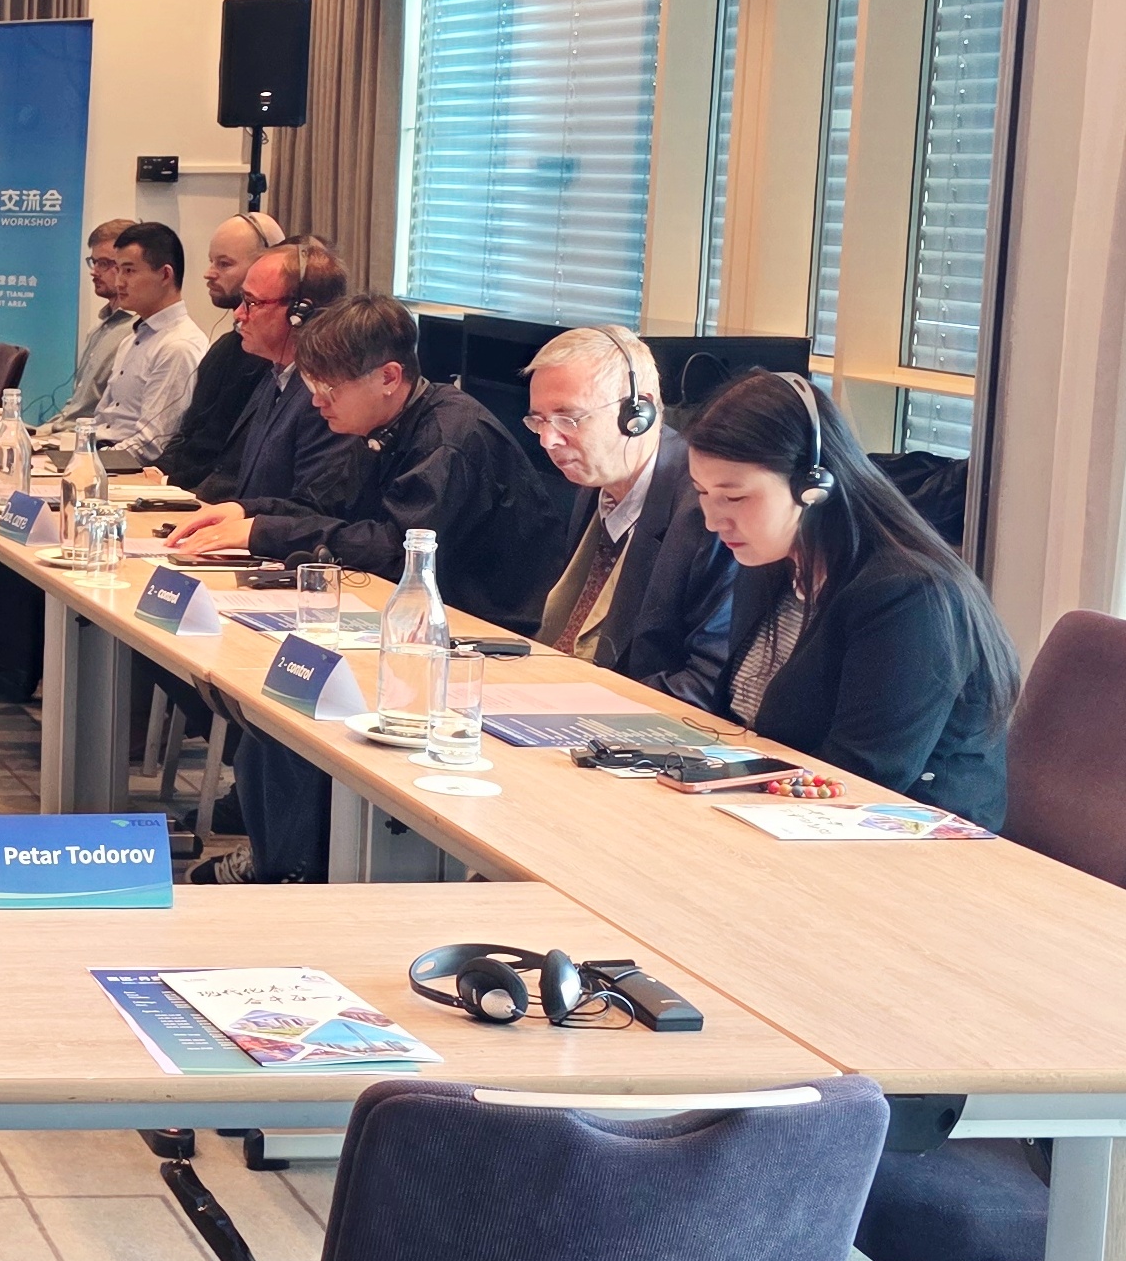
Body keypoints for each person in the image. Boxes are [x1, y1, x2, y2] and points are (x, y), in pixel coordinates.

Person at [173, 294, 568, 884]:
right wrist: (246, 510)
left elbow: (392, 549)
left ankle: (295, 866)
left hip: (476, 643)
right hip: (410, 626)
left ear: (388, 377)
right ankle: (281, 856)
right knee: (272, 703)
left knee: (305, 708)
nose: (316, 401)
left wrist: (265, 530)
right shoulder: (384, 422)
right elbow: (327, 507)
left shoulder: (448, 437)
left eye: (328, 388)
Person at [685, 371, 1015, 824]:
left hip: (901, 838)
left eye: (735, 497)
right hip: (785, 816)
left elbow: (861, 779)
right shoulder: (771, 560)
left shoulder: (908, 596)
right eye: (702, 492)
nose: (713, 520)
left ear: (812, 486)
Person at [521, 326, 735, 698]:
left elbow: (706, 683)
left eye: (569, 419)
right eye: (539, 420)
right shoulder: (598, 482)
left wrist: (587, 702)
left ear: (638, 412)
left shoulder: (707, 511)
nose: (547, 440)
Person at [193, 238, 365, 513]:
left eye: (251, 302)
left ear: (300, 312)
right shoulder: (275, 375)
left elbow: (311, 510)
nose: (239, 314)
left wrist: (241, 518)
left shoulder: (326, 395)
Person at [156, 212, 282, 493]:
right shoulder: (225, 347)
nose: (209, 272)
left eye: (224, 264)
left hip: (213, 497)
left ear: (264, 267)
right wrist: (156, 474)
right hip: (184, 489)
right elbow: (189, 433)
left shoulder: (273, 358)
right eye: (211, 261)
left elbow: (231, 461)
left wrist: (169, 484)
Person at [68, 221, 202, 469]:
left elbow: (151, 445)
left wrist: (87, 464)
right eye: (118, 270)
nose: (119, 282)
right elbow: (102, 420)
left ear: (165, 275)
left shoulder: (178, 346)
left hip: (128, 471)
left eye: (129, 271)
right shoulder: (133, 338)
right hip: (103, 455)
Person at [68, 219, 138, 411]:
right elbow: (76, 405)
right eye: (94, 262)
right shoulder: (98, 328)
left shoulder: (136, 332)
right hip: (68, 426)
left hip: (93, 429)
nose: (94, 272)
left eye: (104, 263)